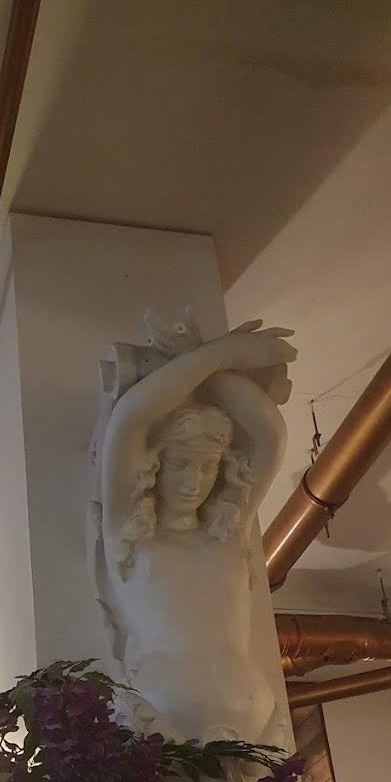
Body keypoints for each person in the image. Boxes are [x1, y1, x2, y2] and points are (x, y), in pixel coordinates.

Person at [97, 317, 296, 746]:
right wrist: (218, 356)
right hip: (162, 723)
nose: (193, 482)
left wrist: (202, 362)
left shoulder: (229, 531)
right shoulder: (132, 535)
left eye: (208, 467)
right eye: (180, 464)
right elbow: (131, 418)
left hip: (254, 722)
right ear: (155, 464)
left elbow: (272, 436)